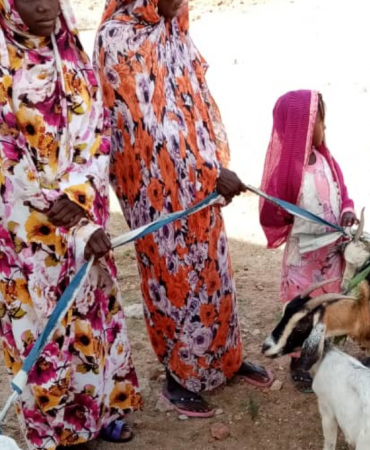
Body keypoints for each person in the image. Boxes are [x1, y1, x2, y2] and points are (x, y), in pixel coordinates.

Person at [0, 0, 141, 447]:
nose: (45, 5)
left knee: (91, 313)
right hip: (26, 228)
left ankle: (100, 413)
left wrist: (80, 201)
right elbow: (0, 159)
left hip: (82, 210)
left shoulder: (70, 50)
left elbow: (96, 130)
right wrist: (58, 206)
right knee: (43, 326)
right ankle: (57, 432)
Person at [94, 0, 273, 418]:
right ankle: (178, 376)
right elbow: (146, 128)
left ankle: (224, 362)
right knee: (172, 279)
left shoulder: (173, 27)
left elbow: (196, 101)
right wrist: (207, 171)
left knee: (214, 271)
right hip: (154, 187)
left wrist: (217, 164)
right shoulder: (118, 37)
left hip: (200, 180)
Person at [259, 89, 357, 392]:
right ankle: (299, 358)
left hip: (330, 255)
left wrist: (347, 212)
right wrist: (291, 219)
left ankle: (319, 345)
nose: (323, 128)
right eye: (319, 121)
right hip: (304, 259)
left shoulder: (327, 160)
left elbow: (342, 191)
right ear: (300, 126)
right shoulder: (288, 173)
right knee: (303, 306)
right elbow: (273, 213)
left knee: (325, 303)